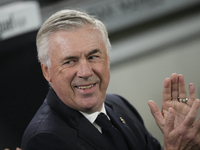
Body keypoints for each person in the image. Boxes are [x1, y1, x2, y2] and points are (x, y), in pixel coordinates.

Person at [21, 9, 200, 150]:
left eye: (93, 57)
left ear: (107, 58)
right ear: (47, 71)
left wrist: (182, 141)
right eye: (70, 61)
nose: (85, 72)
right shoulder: (44, 139)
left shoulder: (120, 105)